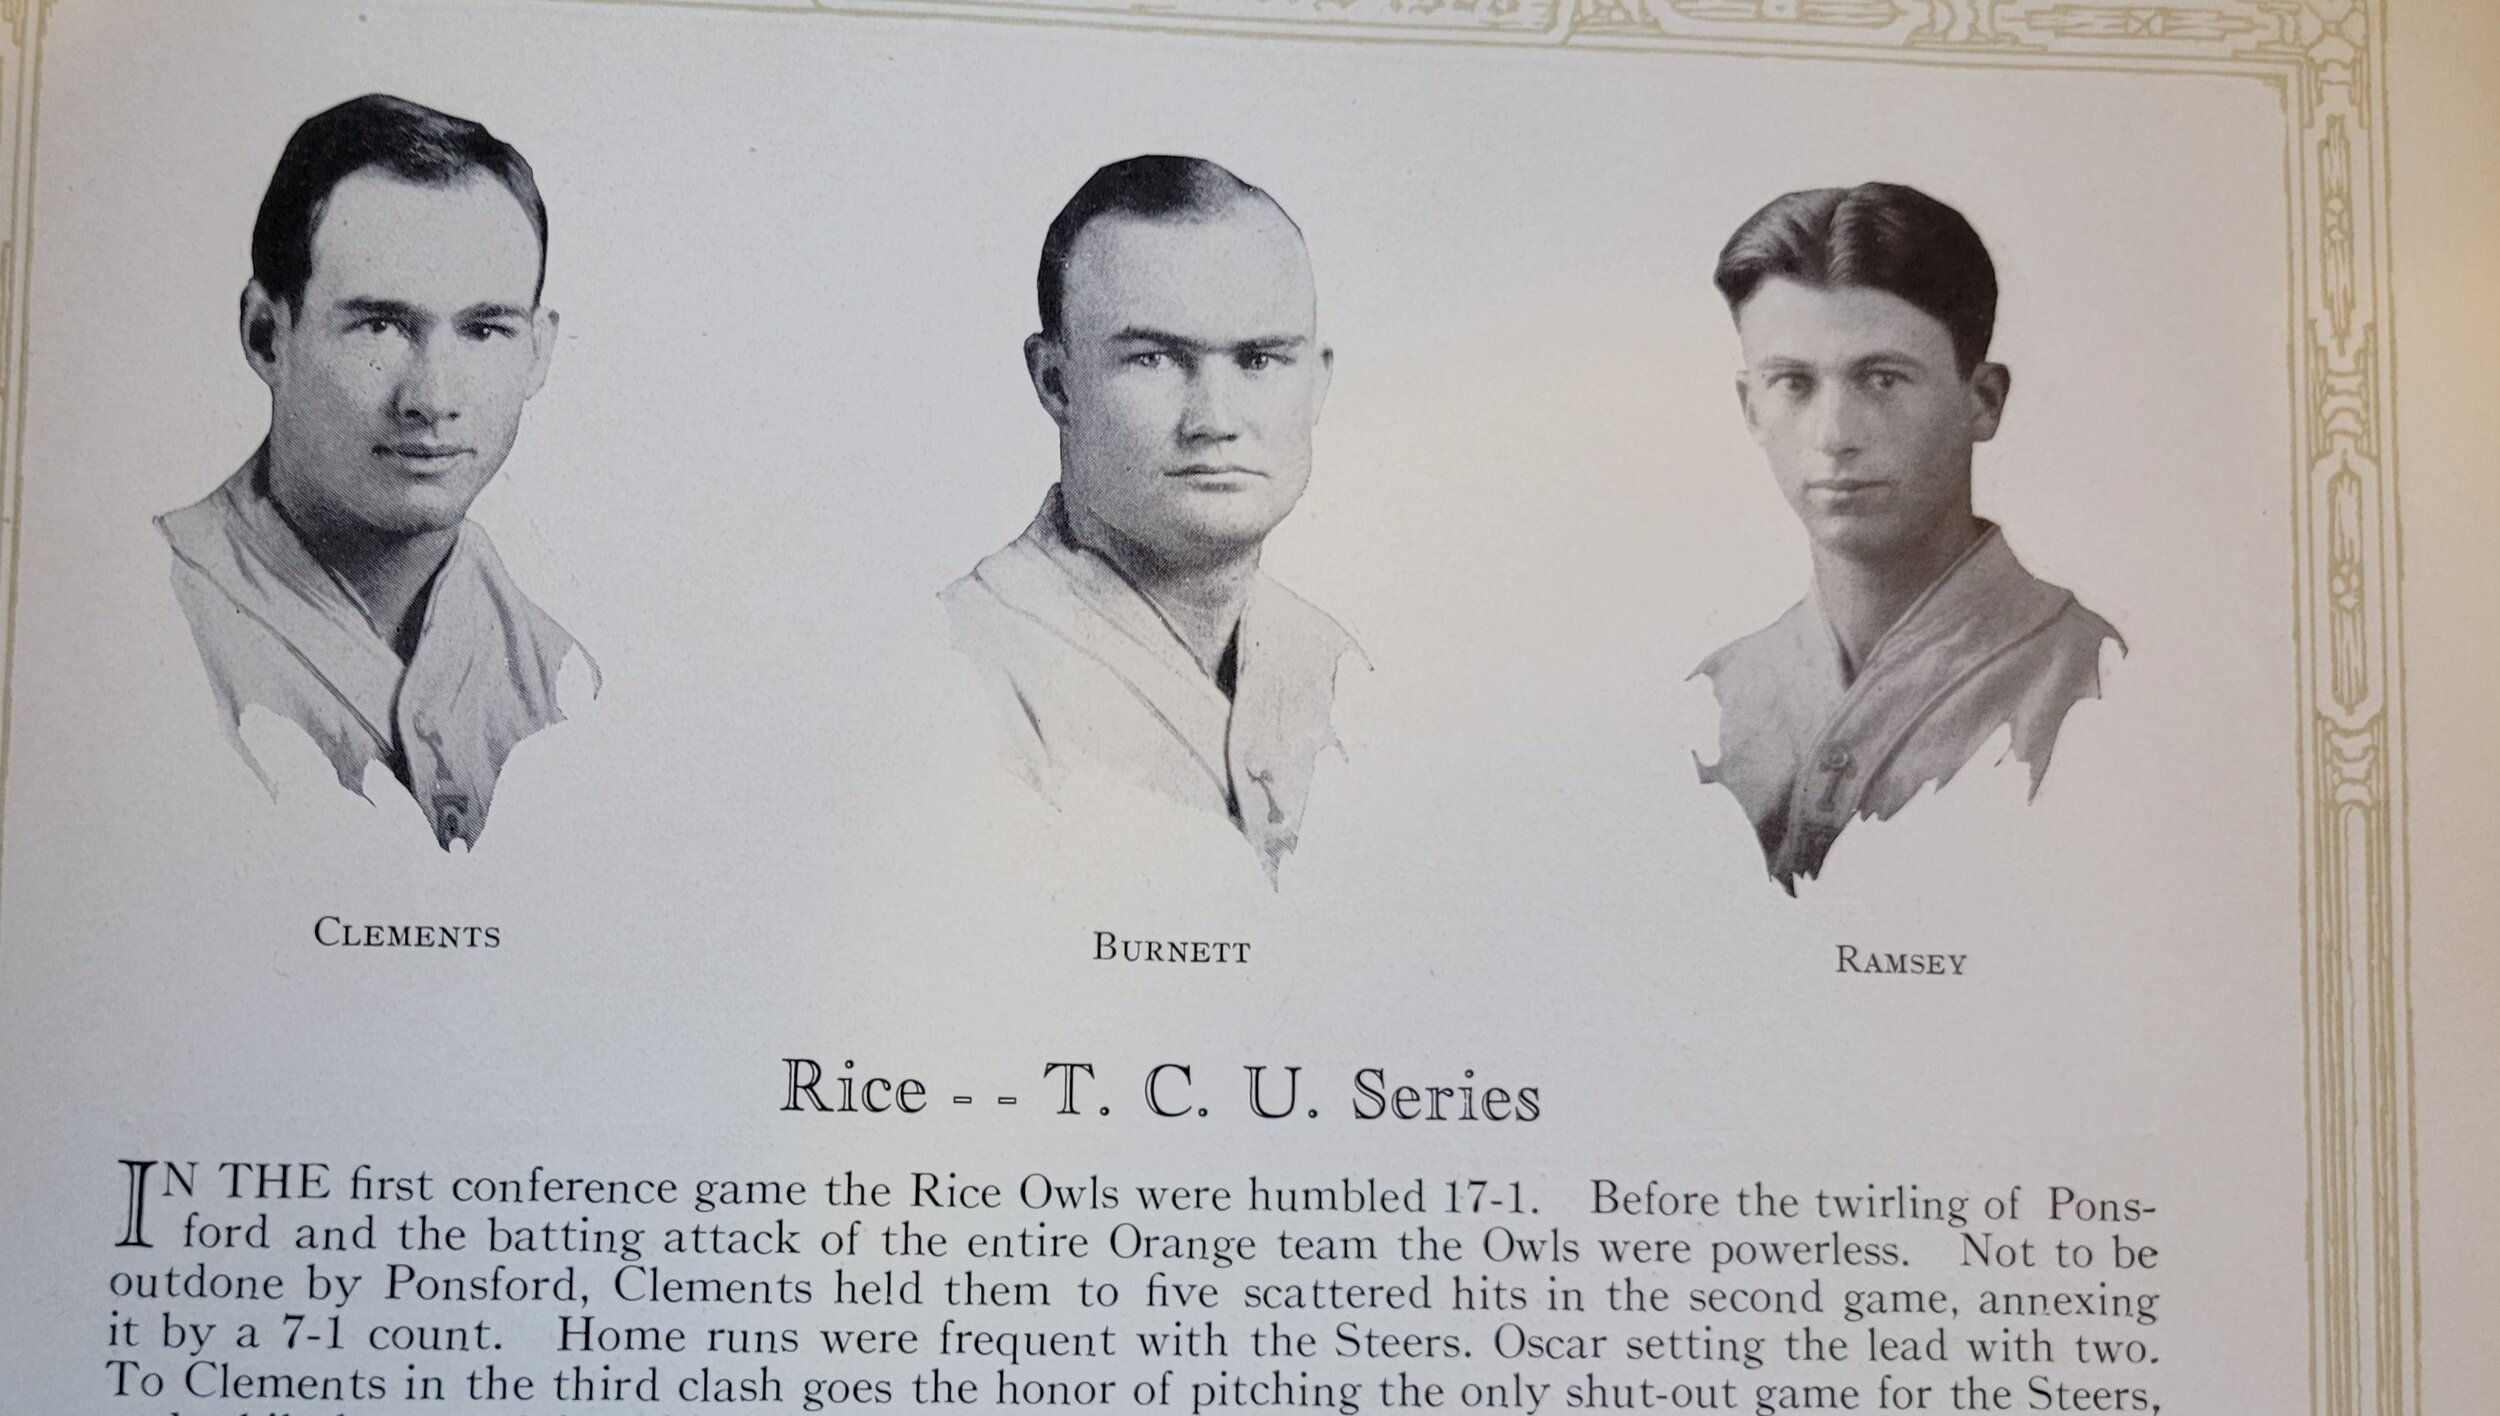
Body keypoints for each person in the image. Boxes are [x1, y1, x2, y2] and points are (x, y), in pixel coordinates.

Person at [157, 94, 586, 851]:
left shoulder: (562, 679)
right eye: (381, 326)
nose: (432, 399)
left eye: (485, 329)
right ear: (266, 335)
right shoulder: (143, 625)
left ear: (539, 353)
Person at [1694, 181, 2120, 891]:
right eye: (1793, 384)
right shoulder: (1708, 700)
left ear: (1983, 400)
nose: (1834, 438)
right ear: (1750, 408)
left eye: (1883, 380)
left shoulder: (2095, 682)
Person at [942, 155, 1356, 876]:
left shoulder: (1340, 667)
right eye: (1155, 359)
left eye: (1258, 360)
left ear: (1317, 384)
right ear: (1056, 381)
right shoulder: (958, 669)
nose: (1214, 421)